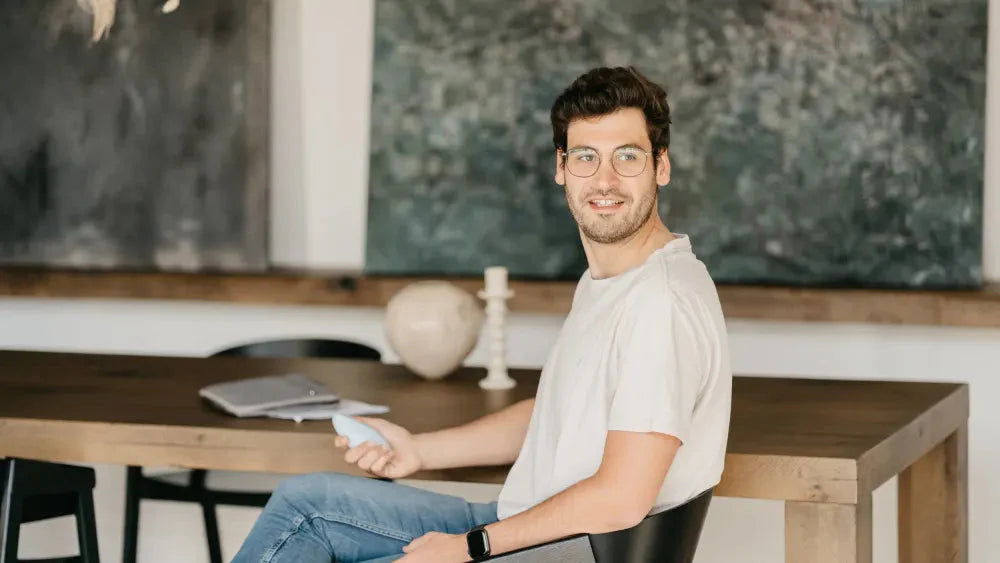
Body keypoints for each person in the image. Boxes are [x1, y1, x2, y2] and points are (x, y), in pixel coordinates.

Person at [233, 65, 732, 563]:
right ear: (561, 168)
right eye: (585, 157)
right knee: (307, 504)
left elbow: (621, 499)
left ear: (661, 166)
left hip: (565, 551)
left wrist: (469, 548)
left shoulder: (661, 303)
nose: (604, 180)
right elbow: (555, 416)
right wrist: (420, 451)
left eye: (627, 156)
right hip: (527, 527)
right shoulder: (612, 279)